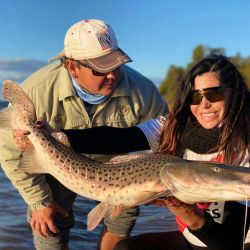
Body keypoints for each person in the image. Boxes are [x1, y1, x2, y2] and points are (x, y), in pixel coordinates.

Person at [0, 19, 167, 250]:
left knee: (122, 221)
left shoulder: (144, 90)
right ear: (72, 67)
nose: (113, 75)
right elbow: (8, 153)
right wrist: (39, 202)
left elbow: (166, 141)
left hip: (117, 169)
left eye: (116, 65)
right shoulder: (36, 92)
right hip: (56, 166)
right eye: (101, 68)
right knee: (49, 227)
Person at [111, 54, 249, 250]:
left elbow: (230, 243)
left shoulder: (246, 141)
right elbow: (115, 139)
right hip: (191, 239)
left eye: (214, 93)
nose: (204, 104)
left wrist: (190, 215)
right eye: (196, 96)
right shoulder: (176, 127)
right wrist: (58, 136)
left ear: (233, 94)